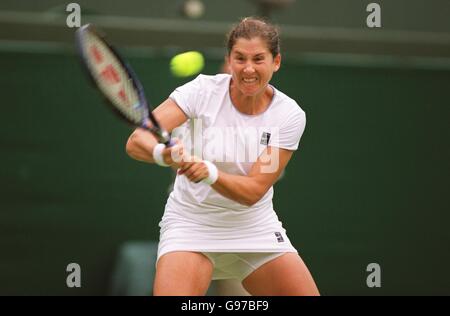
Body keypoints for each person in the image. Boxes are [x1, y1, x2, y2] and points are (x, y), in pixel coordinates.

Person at [125, 17, 320, 296]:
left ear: (276, 62)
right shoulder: (201, 91)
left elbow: (253, 190)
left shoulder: (288, 115)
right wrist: (162, 154)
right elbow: (137, 140)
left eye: (258, 59)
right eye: (239, 58)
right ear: (229, 60)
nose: (248, 68)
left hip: (254, 228)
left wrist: (209, 173)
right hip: (191, 224)